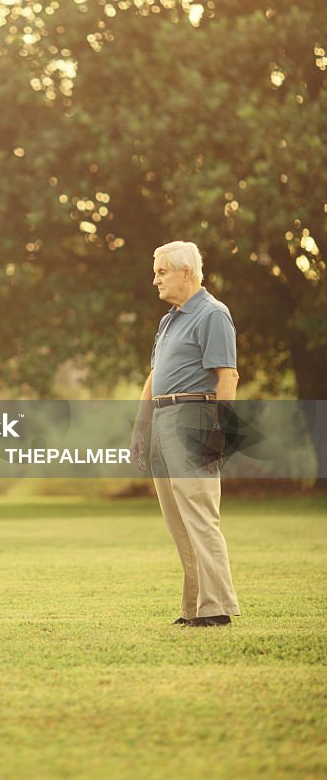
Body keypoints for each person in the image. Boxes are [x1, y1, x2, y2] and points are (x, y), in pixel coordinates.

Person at [130, 240, 240, 627]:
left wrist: (218, 432)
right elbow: (153, 377)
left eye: (161, 272)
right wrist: (140, 429)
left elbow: (227, 375)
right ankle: (194, 608)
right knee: (179, 522)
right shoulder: (169, 319)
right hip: (163, 420)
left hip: (194, 417)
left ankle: (218, 607)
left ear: (186, 272)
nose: (155, 279)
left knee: (200, 517)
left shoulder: (213, 314)